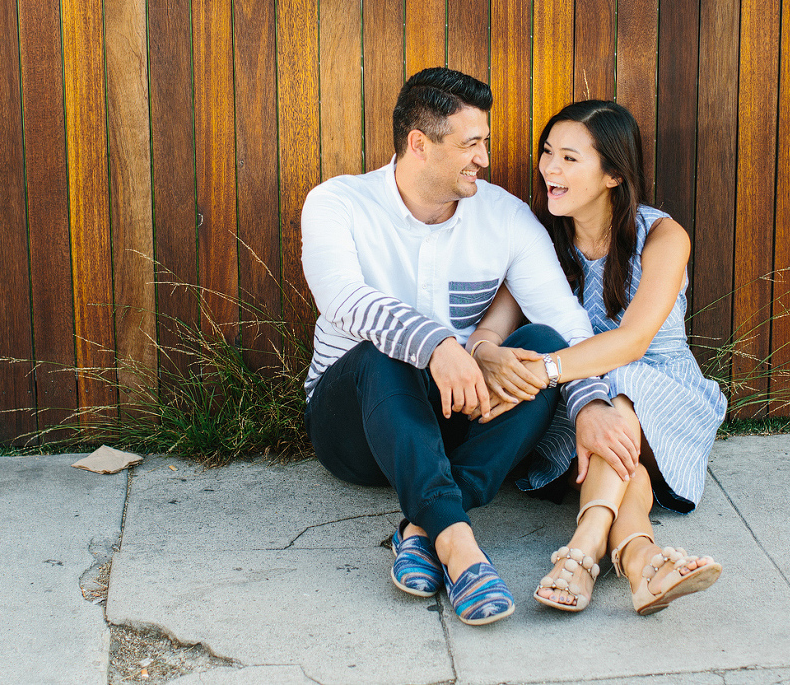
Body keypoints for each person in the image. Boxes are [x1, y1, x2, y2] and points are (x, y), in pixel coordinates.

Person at [300, 68, 612, 626]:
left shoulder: (505, 216)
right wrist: (440, 343)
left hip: (458, 421)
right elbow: (344, 299)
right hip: (358, 427)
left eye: (484, 143)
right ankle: (462, 547)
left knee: (539, 346)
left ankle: (425, 527)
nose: (484, 160)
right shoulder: (338, 203)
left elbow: (565, 325)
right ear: (419, 144)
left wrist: (589, 403)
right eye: (471, 145)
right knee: (383, 353)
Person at [466, 100, 725, 615]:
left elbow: (632, 342)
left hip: (661, 389)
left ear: (612, 174)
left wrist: (543, 370)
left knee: (621, 386)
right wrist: (487, 354)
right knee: (626, 459)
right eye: (546, 153)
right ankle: (642, 562)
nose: (549, 168)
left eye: (568, 158)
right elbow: (491, 329)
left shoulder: (663, 236)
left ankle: (582, 550)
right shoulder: (543, 239)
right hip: (582, 400)